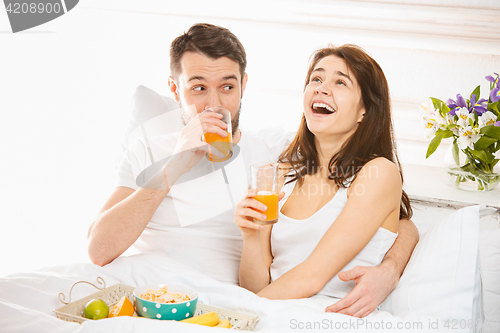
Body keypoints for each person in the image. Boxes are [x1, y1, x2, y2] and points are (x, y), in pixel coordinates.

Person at [87, 23, 418, 317]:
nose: (214, 104)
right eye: (199, 88)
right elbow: (98, 250)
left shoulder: (277, 156)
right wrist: (175, 164)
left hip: (220, 304)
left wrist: (390, 270)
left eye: (227, 87)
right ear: (175, 88)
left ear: (244, 85)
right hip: (146, 291)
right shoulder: (148, 149)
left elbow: (396, 220)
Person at [235, 44, 413, 318]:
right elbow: (255, 286)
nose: (321, 87)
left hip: (327, 317)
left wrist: (233, 314)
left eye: (340, 82)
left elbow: (312, 278)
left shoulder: (378, 173)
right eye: (316, 79)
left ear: (364, 110)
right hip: (272, 309)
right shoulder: (284, 172)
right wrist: (250, 236)